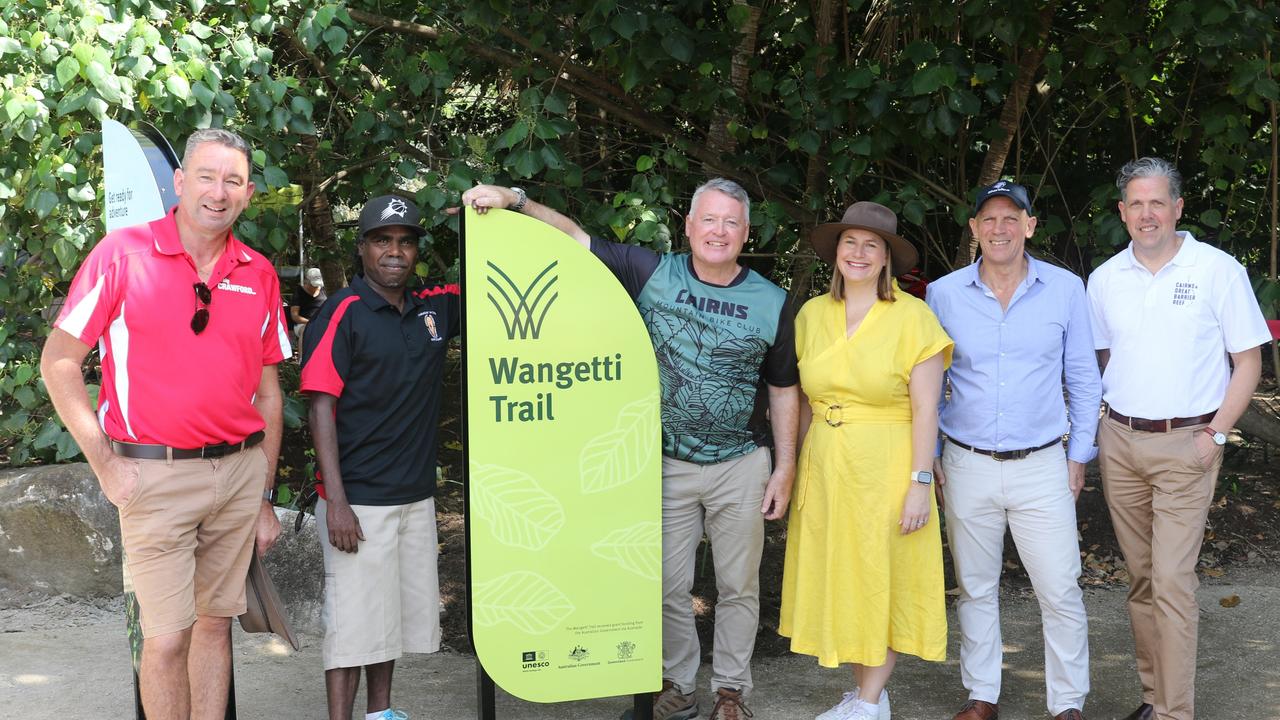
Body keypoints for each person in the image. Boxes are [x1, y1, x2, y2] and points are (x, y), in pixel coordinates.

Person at [460, 180, 800, 720]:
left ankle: (732, 693)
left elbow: (784, 388)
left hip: (741, 463)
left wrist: (785, 467)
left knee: (739, 586)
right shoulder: (651, 273)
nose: (718, 231)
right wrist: (515, 202)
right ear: (687, 226)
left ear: (746, 234)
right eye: (708, 219)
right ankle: (681, 687)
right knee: (665, 584)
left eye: (730, 222)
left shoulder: (773, 300)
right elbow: (575, 240)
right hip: (661, 463)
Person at [40, 128, 289, 720]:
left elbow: (269, 396)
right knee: (165, 637)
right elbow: (59, 362)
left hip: (237, 474)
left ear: (249, 193)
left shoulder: (259, 273)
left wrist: (263, 496)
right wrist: (107, 466)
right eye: (206, 176)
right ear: (179, 183)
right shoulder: (121, 253)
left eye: (233, 181)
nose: (218, 192)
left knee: (213, 627)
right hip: (153, 477)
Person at [1087, 157, 1269, 720]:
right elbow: (1102, 358)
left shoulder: (1217, 270)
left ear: (1178, 208)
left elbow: (1248, 362)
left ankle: (1175, 713)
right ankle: (1153, 698)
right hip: (1120, 440)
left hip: (1187, 443)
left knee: (1171, 580)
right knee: (1141, 579)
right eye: (1136, 204)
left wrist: (1215, 434)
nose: (1147, 214)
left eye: (1157, 202)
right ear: (1122, 212)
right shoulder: (1105, 279)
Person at [926, 182, 1101, 720]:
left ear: (1029, 225)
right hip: (965, 461)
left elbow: (1084, 379)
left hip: (1042, 462)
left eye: (1011, 218)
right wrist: (929, 453)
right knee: (974, 587)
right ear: (974, 229)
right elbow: (928, 381)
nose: (999, 228)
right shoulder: (944, 293)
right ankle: (982, 696)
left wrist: (1079, 458)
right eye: (988, 219)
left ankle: (1067, 703)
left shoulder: (1066, 289)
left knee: (1060, 587)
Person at [778, 201, 952, 720]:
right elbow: (806, 401)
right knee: (848, 577)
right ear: (836, 253)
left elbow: (927, 409)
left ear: (886, 259)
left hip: (888, 464)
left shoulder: (913, 317)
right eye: (850, 242)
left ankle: (871, 702)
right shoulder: (812, 314)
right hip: (828, 467)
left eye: (870, 245)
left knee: (882, 575)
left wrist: (920, 481)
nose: (858, 253)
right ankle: (865, 696)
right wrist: (794, 470)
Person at [301, 195, 458, 720]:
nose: (395, 251)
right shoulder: (341, 312)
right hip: (359, 502)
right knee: (352, 629)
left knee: (386, 622)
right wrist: (338, 501)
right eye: (383, 240)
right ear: (363, 247)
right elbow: (320, 407)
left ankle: (381, 714)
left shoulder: (431, 307)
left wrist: (485, 218)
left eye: (406, 241)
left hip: (413, 497)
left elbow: (491, 276)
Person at [291, 267, 327, 345]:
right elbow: (295, 316)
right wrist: (311, 322)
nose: (316, 287)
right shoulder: (299, 292)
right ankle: (302, 357)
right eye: (313, 285)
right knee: (305, 330)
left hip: (322, 323)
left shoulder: (324, 290)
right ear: (307, 280)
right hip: (302, 324)